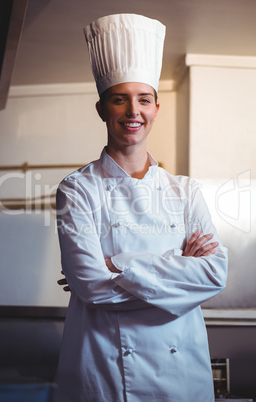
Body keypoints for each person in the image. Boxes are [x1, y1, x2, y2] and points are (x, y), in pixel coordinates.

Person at [53, 14, 228, 402]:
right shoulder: (77, 189)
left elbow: (214, 274)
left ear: (155, 109)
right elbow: (91, 287)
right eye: (120, 98)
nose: (133, 110)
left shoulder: (185, 190)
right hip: (106, 370)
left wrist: (118, 264)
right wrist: (179, 266)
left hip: (181, 373)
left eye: (143, 99)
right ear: (102, 109)